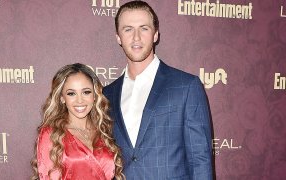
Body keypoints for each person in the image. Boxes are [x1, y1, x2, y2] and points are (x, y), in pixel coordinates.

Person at [103, 1, 213, 179]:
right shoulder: (106, 94)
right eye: (128, 29)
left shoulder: (186, 86)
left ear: (155, 35)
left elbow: (200, 159)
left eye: (144, 28)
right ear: (118, 37)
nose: (136, 37)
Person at [31, 63, 125, 180]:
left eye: (86, 92)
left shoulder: (103, 131)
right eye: (71, 93)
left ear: (95, 95)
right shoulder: (51, 134)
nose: (80, 100)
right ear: (62, 98)